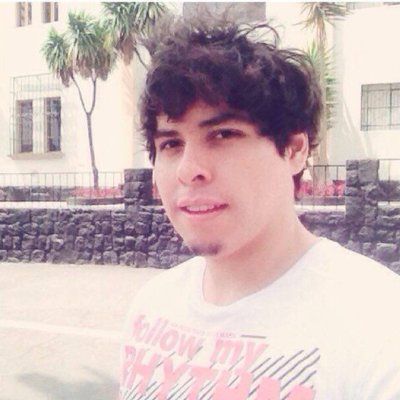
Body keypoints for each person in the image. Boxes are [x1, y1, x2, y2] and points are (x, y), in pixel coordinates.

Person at [118, 16, 400, 400]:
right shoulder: (151, 308)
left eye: (223, 134)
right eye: (170, 144)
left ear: (294, 150)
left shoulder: (377, 324)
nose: (188, 169)